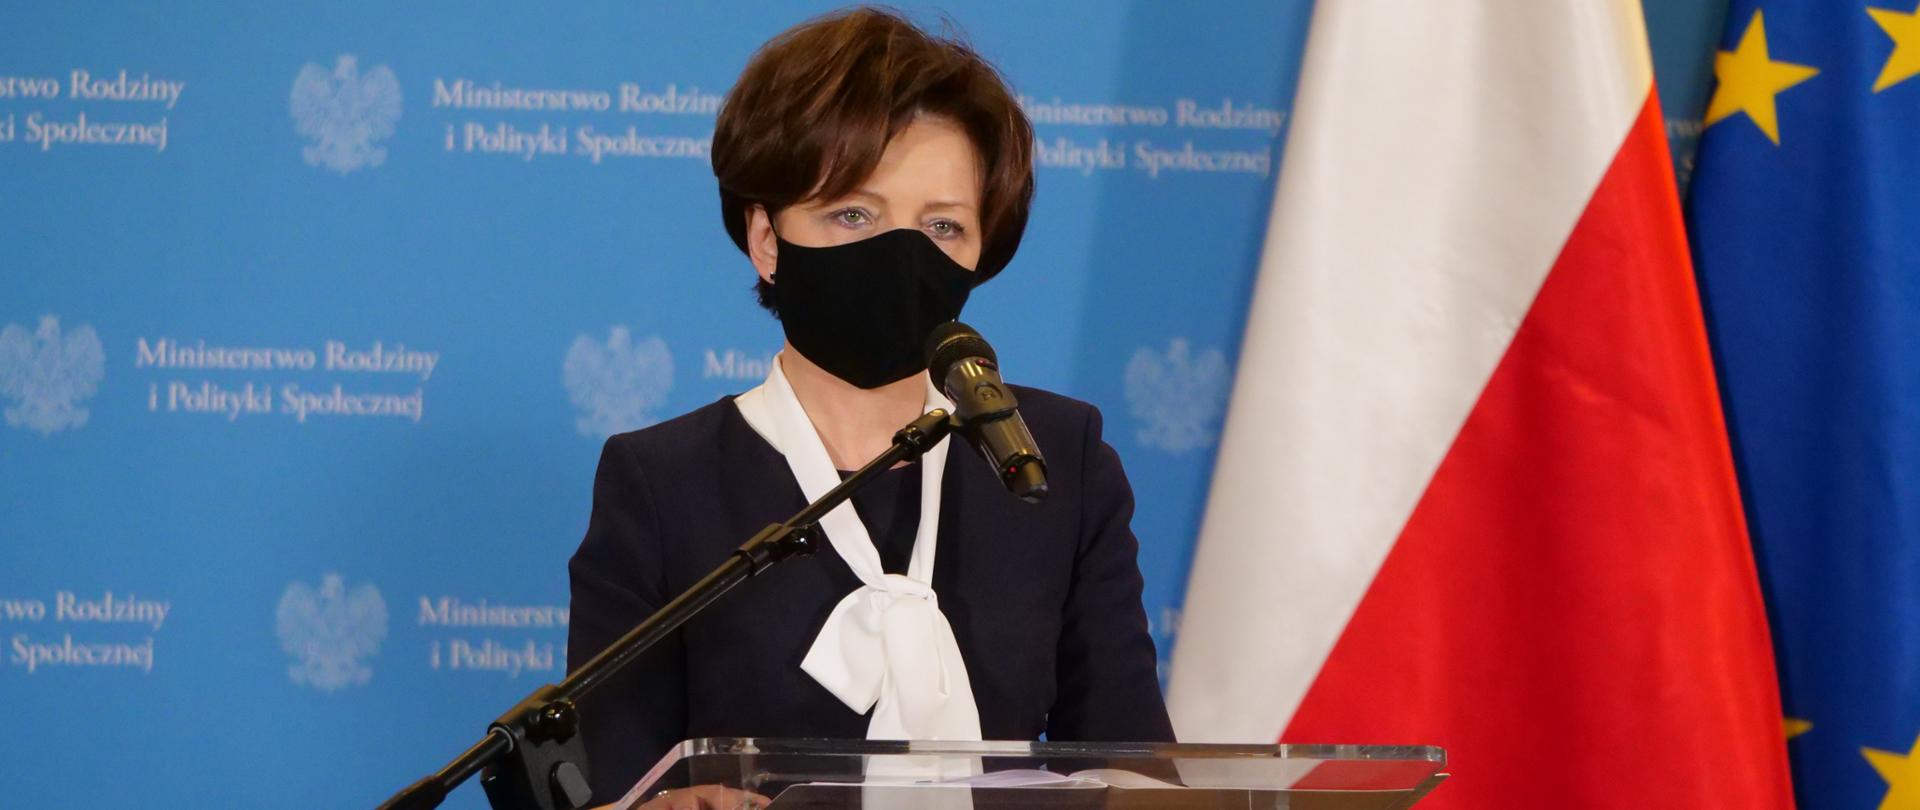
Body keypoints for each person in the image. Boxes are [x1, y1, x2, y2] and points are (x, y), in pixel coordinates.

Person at [567, 7, 1174, 805]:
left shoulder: (1051, 458)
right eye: (854, 214)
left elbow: (1136, 766)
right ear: (767, 239)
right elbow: (613, 780)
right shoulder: (661, 482)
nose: (901, 255)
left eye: (943, 225)